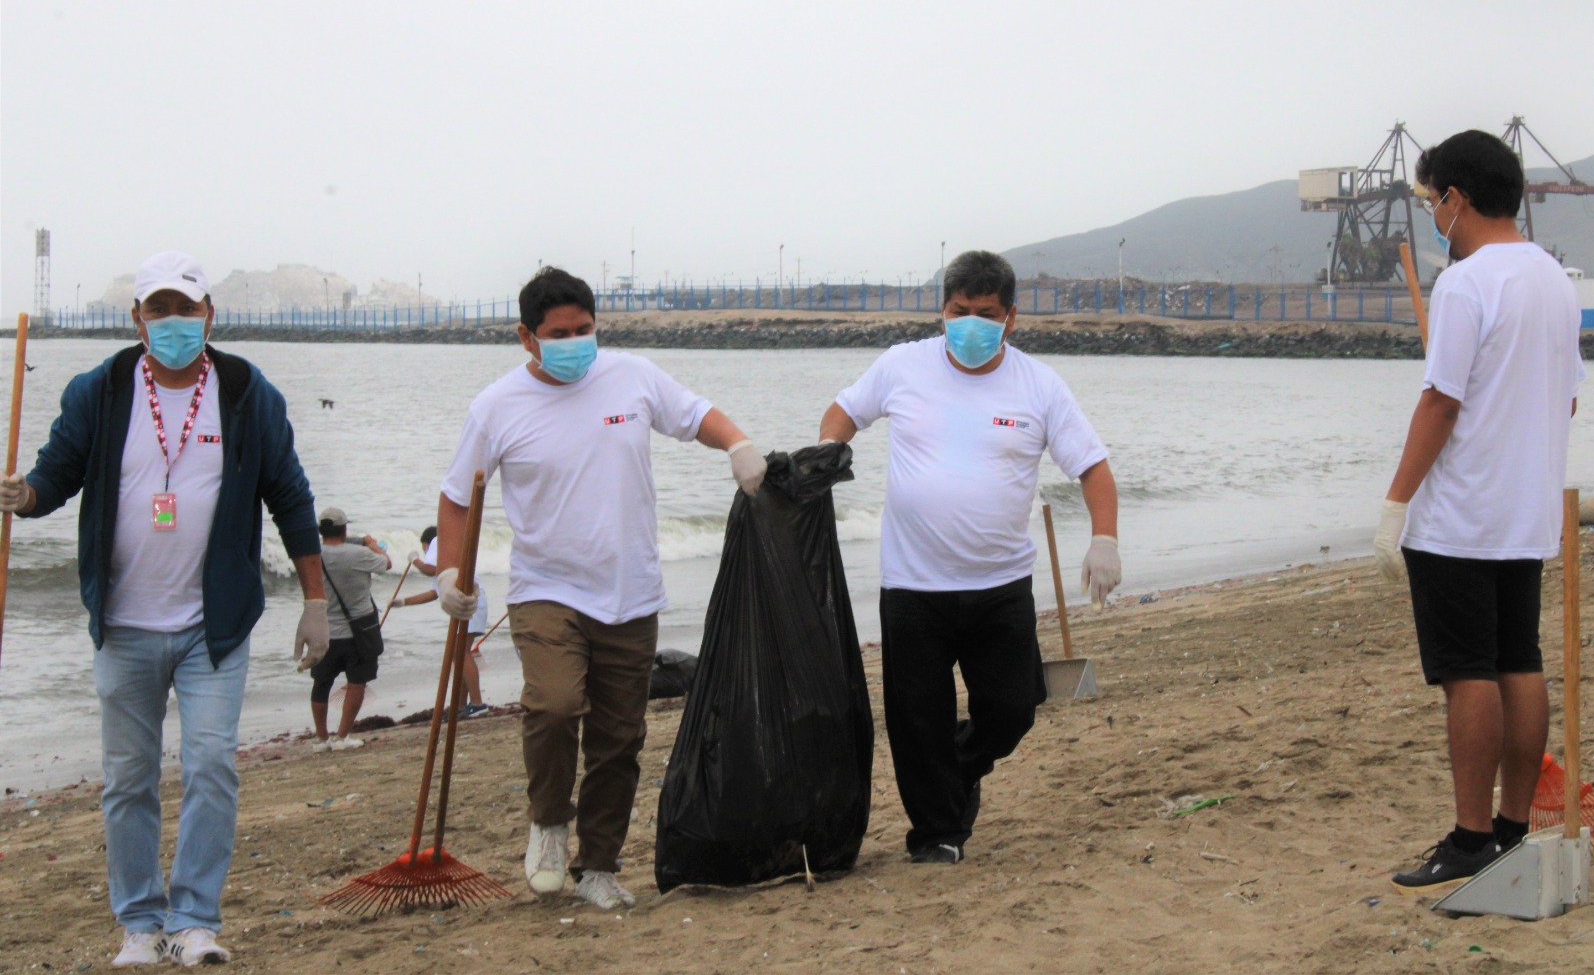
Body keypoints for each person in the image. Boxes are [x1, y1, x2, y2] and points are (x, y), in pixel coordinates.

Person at [0, 251, 327, 967]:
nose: (173, 322)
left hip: (214, 627)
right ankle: (140, 922)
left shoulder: (244, 390)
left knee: (212, 767)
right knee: (128, 778)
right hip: (123, 623)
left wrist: (315, 601)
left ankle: (195, 919)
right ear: (136, 319)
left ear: (211, 314)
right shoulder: (102, 388)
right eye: (159, 310)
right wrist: (25, 497)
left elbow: (291, 496)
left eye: (186, 309)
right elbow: (57, 474)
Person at [434, 266, 767, 909]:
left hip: (631, 588)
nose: (575, 342)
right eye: (559, 333)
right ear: (526, 338)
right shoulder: (496, 406)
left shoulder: (632, 376)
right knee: (555, 706)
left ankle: (600, 865)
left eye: (585, 329)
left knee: (620, 736)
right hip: (546, 589)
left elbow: (695, 414)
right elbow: (457, 501)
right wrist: (450, 573)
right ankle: (549, 825)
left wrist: (738, 444)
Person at [817, 248, 1120, 865]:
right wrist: (826, 455)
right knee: (915, 721)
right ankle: (937, 834)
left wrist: (1104, 538)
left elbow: (1092, 466)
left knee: (1013, 709)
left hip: (1000, 583)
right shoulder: (903, 366)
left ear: (1011, 317)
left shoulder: (1039, 384)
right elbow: (844, 413)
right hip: (912, 585)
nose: (971, 324)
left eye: (986, 313)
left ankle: (957, 767)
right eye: (959, 311)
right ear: (943, 311)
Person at [1375, 130, 1585, 894]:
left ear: (1456, 199)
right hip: (1525, 508)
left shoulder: (1467, 282)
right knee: (1518, 662)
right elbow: (1564, 398)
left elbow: (1441, 400)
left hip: (1461, 513)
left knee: (1469, 673)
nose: (1435, 212)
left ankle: (1470, 838)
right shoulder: (1555, 278)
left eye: (1434, 200)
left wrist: (1396, 501)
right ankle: (1512, 827)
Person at [309, 507, 391, 750]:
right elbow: (386, 563)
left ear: (321, 531)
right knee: (357, 682)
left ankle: (322, 738)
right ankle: (342, 736)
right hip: (360, 630)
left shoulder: (313, 554)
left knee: (321, 683)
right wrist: (370, 542)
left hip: (324, 629)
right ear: (345, 529)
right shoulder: (358, 554)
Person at [389, 524, 489, 717]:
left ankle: (478, 703)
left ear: (427, 543)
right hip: (471, 598)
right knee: (458, 654)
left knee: (460, 653)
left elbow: (429, 569)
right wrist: (403, 602)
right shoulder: (449, 559)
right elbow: (435, 593)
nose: (427, 552)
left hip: (469, 597)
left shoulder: (438, 542)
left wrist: (414, 560)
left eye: (425, 549)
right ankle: (460, 707)